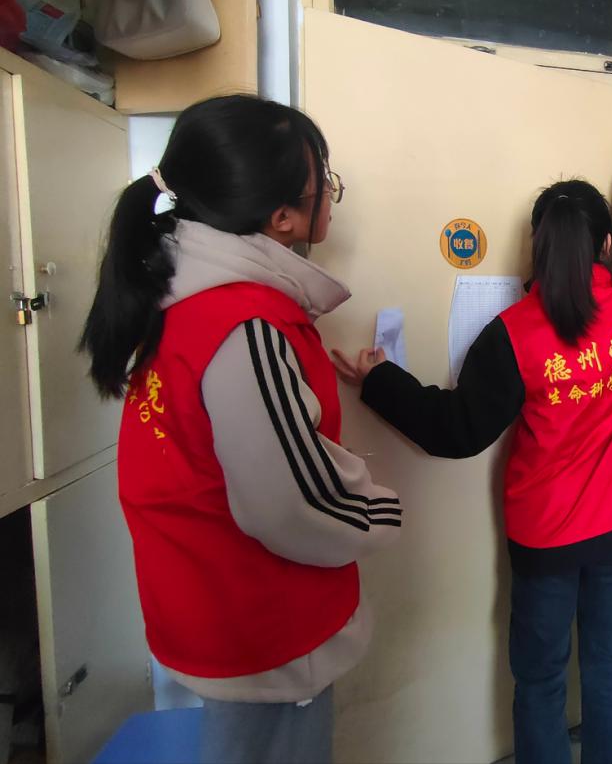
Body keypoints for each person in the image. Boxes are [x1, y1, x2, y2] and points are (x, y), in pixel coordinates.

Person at [334, 122, 612, 764]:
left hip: (548, 540)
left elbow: (456, 429)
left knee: (542, 681)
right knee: (609, 666)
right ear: (608, 245)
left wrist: (379, 380)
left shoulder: (513, 335)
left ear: (536, 250)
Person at [80, 95, 401, 764]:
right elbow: (290, 501)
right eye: (323, 181)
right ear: (283, 217)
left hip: (210, 600)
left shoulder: (182, 297)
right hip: (264, 625)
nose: (331, 195)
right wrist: (379, 509)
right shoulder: (245, 324)